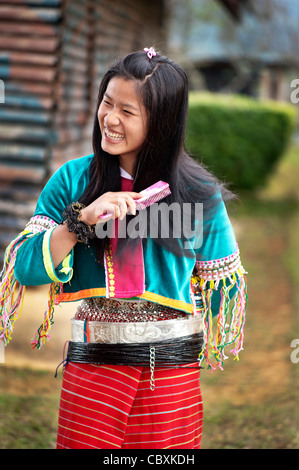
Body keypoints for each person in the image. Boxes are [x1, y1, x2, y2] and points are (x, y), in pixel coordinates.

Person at [0, 47, 247, 449]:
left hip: (172, 375)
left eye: (127, 112)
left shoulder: (199, 195)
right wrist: (80, 222)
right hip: (93, 370)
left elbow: (225, 289)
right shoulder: (73, 181)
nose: (110, 119)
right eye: (107, 103)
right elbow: (25, 269)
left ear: (162, 123)